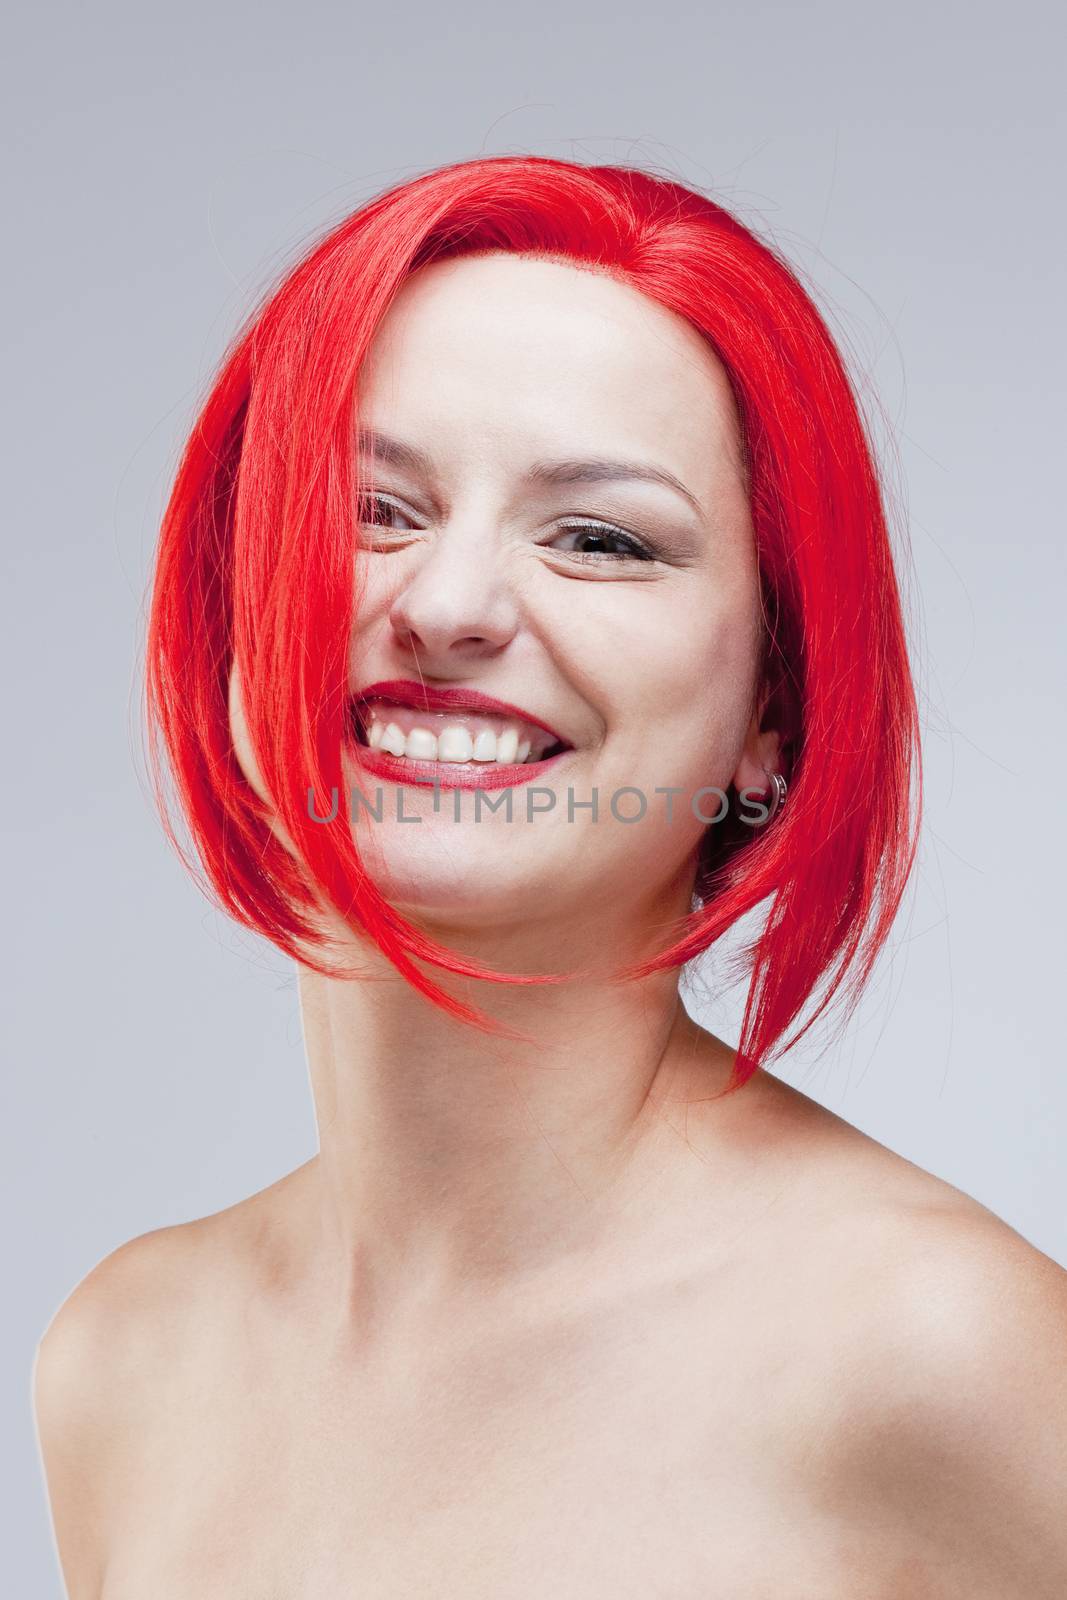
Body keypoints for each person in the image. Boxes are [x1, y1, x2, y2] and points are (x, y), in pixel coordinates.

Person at [33, 155, 1067, 1597]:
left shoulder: (943, 1356)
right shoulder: (125, 1363)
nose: (448, 606)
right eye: (370, 510)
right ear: (229, 624)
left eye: (602, 539)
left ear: (774, 711)